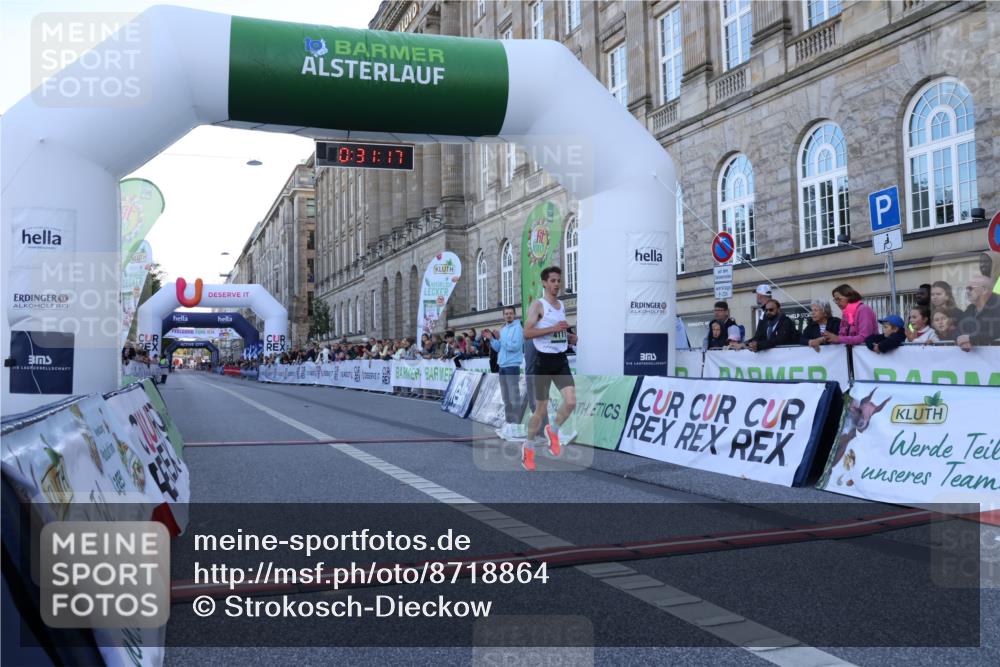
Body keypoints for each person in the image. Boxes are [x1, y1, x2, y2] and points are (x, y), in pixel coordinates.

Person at [522, 266, 577, 471]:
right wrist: (553, 329)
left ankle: (553, 431)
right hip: (543, 361)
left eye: (558, 281)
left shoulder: (561, 305)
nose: (556, 284)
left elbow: (559, 332)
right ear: (544, 283)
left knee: (571, 402)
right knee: (541, 409)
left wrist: (570, 337)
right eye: (552, 281)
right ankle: (528, 448)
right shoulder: (538, 305)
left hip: (560, 359)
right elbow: (527, 333)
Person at [486, 306, 527, 441]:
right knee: (506, 398)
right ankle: (509, 425)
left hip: (512, 366)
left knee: (513, 397)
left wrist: (500, 338)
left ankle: (515, 426)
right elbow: (499, 348)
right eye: (506, 313)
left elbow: (514, 347)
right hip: (502, 366)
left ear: (514, 315)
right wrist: (491, 339)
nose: (508, 315)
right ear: (503, 315)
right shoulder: (503, 329)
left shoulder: (518, 328)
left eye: (510, 313)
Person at [956, 274, 1000, 351]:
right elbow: (957, 329)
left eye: (970, 288)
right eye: (966, 288)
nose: (967, 291)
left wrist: (970, 339)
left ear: (984, 290)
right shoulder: (970, 309)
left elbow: (996, 332)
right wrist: (962, 340)